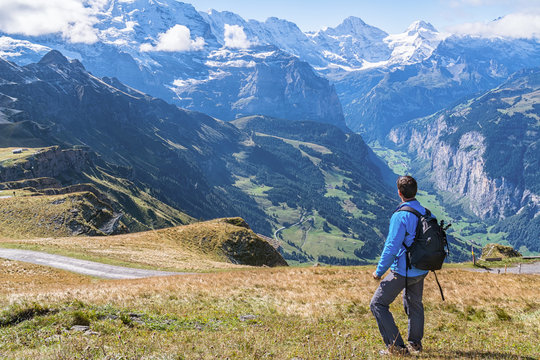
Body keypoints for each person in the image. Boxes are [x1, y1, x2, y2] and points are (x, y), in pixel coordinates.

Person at [370, 175, 429, 356]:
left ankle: (397, 348)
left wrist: (379, 271)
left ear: (399, 193)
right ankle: (415, 345)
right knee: (415, 305)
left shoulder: (400, 216)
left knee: (378, 303)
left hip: (403, 271)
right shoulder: (426, 212)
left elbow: (391, 247)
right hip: (421, 269)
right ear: (415, 191)